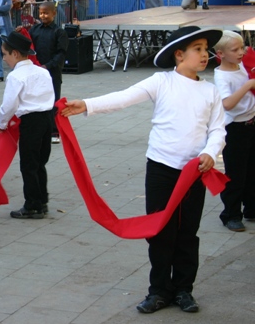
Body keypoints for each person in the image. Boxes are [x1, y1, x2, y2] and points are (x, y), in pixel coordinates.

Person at [61, 26, 225, 314]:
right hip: (161, 169)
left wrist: (210, 153)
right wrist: (86, 104)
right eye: (197, 49)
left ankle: (184, 290)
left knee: (188, 232)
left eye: (205, 49)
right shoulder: (161, 82)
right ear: (179, 54)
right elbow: (123, 97)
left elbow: (217, 130)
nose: (204, 54)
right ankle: (159, 290)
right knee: (160, 231)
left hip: (194, 172)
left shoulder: (211, 90)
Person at [0, 31, 54, 219]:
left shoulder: (16, 76)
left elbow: (9, 104)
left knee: (28, 165)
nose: (4, 59)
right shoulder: (43, 71)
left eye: (5, 54)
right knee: (40, 163)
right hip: (47, 119)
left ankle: (33, 205)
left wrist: (2, 123)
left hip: (30, 121)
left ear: (15, 54)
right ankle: (42, 200)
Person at [213, 31, 255, 232]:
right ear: (221, 54)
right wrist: (248, 85)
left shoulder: (242, 67)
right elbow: (227, 104)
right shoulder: (221, 76)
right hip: (235, 129)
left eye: (242, 48)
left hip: (251, 123)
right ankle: (231, 214)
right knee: (236, 174)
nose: (241, 52)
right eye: (235, 50)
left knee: (252, 170)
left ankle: (251, 208)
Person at [26, 1, 68, 144]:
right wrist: (20, 32)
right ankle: (40, 130)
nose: (43, 15)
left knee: (53, 101)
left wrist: (47, 66)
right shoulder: (34, 30)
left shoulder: (59, 32)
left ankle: (54, 131)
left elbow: (61, 53)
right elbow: (27, 45)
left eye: (46, 13)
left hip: (52, 73)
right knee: (37, 100)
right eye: (41, 13)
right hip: (36, 72)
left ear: (54, 13)